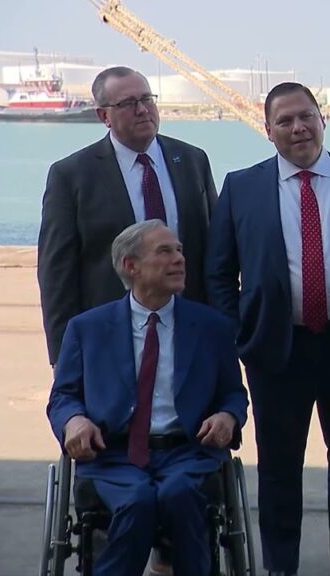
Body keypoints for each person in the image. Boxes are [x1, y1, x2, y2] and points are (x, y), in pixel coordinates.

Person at [206, 82, 330, 576]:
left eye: (306, 116)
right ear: (267, 131)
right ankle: (280, 564)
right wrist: (237, 335)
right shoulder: (241, 187)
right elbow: (219, 272)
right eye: (285, 121)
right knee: (280, 468)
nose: (298, 128)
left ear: (323, 120)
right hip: (275, 349)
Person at [46, 220, 248, 576]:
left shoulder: (211, 327)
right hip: (113, 454)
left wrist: (228, 417)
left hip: (187, 451)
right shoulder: (87, 328)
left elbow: (233, 393)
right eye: (165, 251)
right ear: (130, 266)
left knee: (179, 496)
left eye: (180, 250)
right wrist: (73, 420)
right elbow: (63, 395)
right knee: (136, 501)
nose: (179, 259)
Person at [38, 66, 217, 367]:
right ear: (103, 116)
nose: (142, 110)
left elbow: (214, 251)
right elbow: (56, 273)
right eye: (127, 103)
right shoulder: (72, 175)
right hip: (111, 339)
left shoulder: (192, 160)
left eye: (147, 98)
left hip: (190, 328)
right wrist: (63, 356)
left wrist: (222, 327)